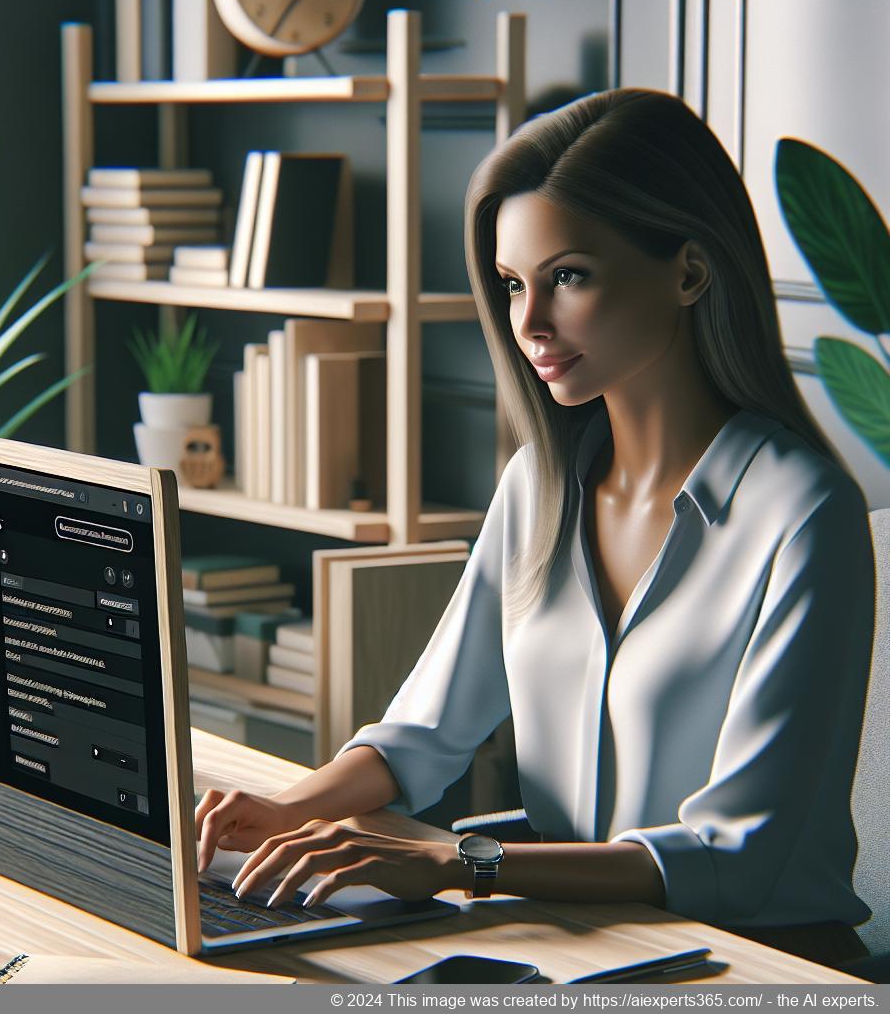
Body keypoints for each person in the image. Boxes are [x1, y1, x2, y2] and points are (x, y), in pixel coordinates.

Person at [194, 88, 875, 967]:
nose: (529, 324)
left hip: (761, 962)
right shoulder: (537, 487)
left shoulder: (803, 512)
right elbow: (421, 739)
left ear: (689, 273)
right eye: (514, 284)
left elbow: (736, 854)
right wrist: (290, 809)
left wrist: (457, 860)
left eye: (569, 277)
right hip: (583, 948)